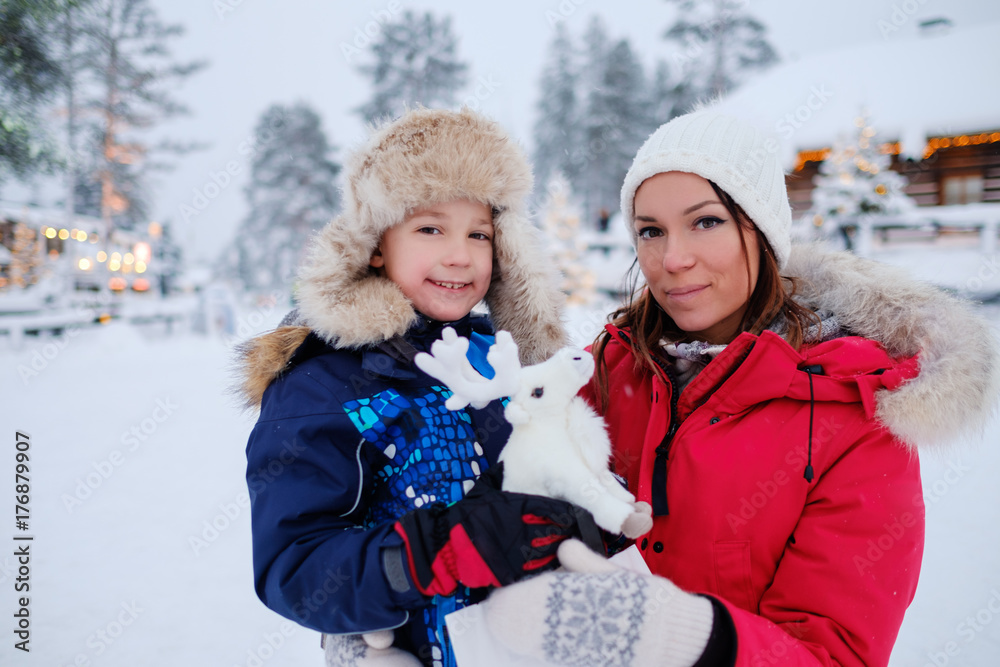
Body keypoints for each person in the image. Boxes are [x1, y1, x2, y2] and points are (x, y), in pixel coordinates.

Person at [478, 110, 1000, 666]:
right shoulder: (606, 370)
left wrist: (690, 635)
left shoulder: (854, 413)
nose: (673, 260)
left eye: (705, 221)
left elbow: (834, 654)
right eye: (650, 230)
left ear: (761, 229)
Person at [236, 107, 599, 667]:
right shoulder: (321, 383)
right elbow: (293, 564)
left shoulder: (501, 359)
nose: (460, 255)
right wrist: (428, 554)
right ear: (376, 243)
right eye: (430, 228)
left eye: (479, 233)